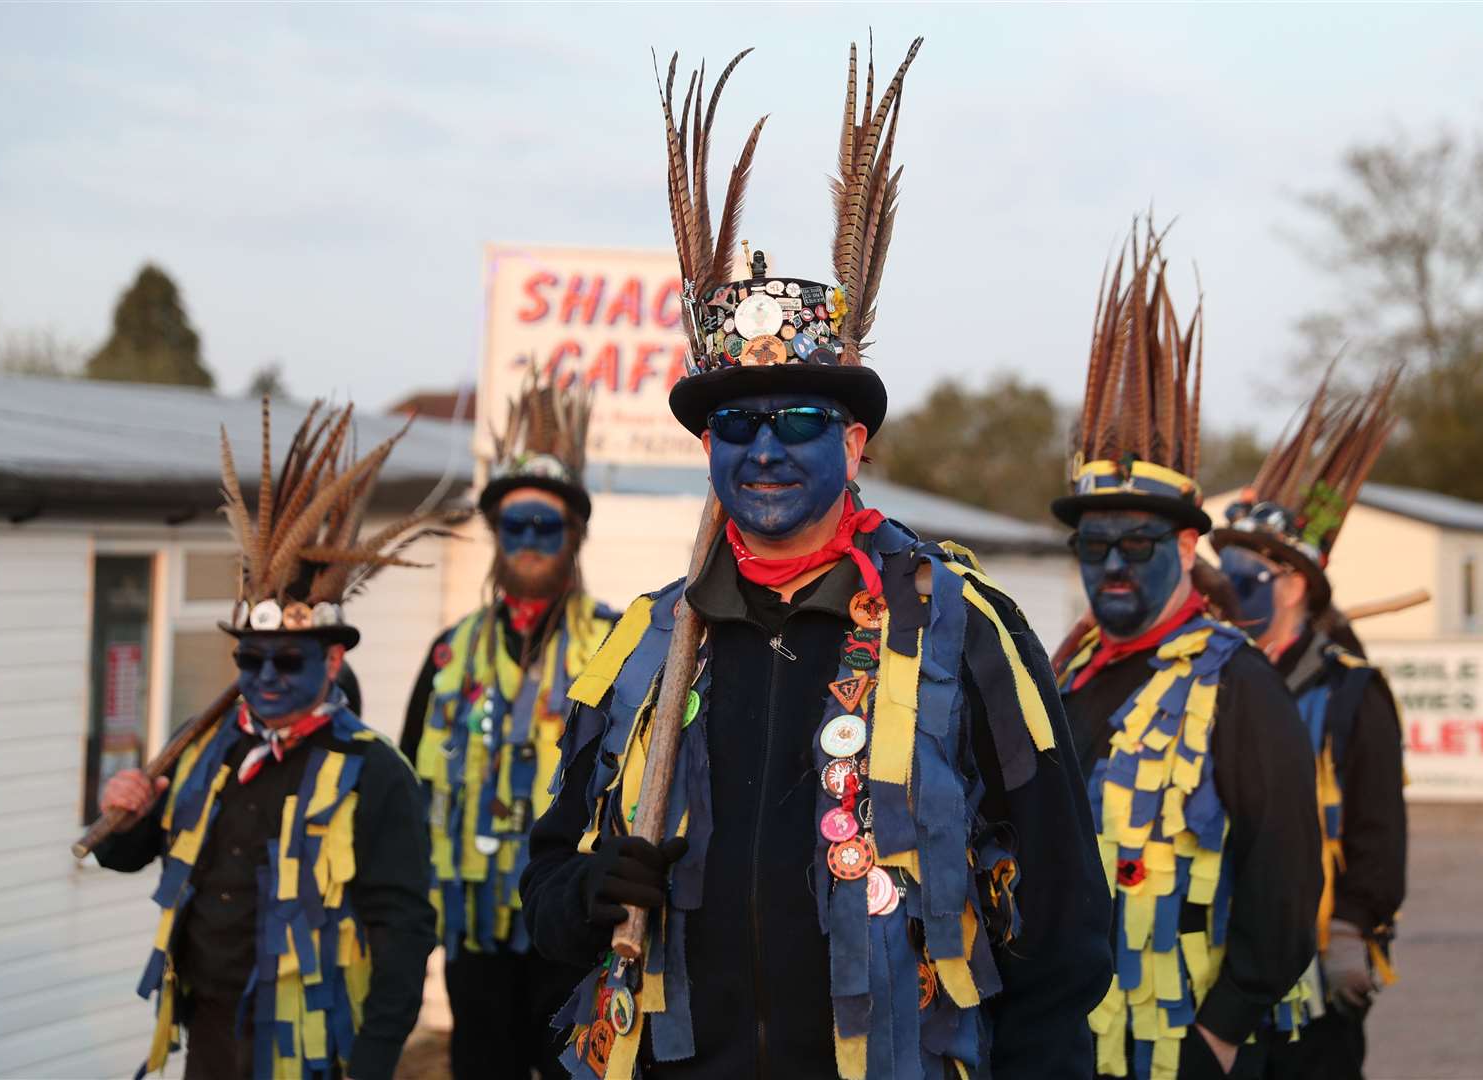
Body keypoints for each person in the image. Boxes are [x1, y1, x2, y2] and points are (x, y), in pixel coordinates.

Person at [520, 38, 1112, 1080]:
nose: (763, 449)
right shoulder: (647, 645)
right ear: (707, 449)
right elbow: (543, 892)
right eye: (735, 426)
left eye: (798, 419)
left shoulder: (963, 625)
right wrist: (591, 892)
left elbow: (1062, 913)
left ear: (853, 441)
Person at [94, 401, 439, 1080]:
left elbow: (404, 932)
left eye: (289, 661)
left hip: (316, 1049)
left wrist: (372, 1063)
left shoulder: (375, 772)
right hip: (210, 1035)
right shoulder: (202, 747)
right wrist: (123, 819)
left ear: (331, 662)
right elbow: (134, 855)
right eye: (251, 660)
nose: (266, 678)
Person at [1050, 229, 1323, 1080]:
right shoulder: (1062, 672)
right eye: (1094, 547)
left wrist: (1222, 1026)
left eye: (1137, 543)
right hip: (1076, 1041)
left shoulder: (1237, 681)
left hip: (1194, 1047)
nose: (1115, 565)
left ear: (1184, 546)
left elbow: (1285, 869)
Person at [399, 370, 620, 1079]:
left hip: (577, 929)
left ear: (574, 534)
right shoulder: (449, 654)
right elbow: (412, 782)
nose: (528, 540)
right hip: (478, 933)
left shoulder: (619, 646)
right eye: (513, 525)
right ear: (495, 535)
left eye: (545, 525)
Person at [1211, 368, 1407, 1080]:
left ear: (1291, 584)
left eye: (1243, 573)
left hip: (1317, 970)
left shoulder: (1352, 692)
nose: (1223, 587)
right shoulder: (1207, 677)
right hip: (1212, 969)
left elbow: (1378, 830)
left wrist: (1354, 928)